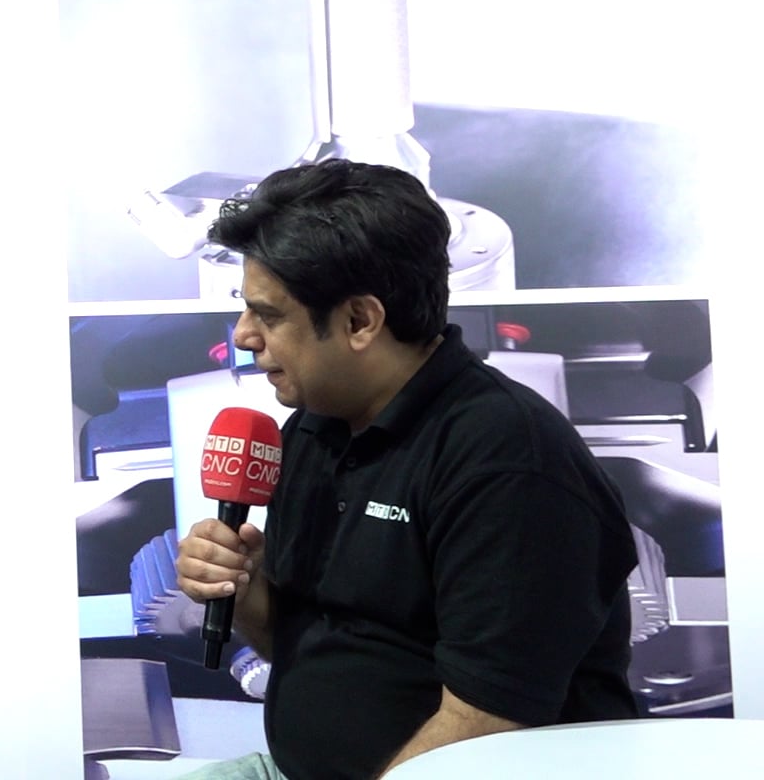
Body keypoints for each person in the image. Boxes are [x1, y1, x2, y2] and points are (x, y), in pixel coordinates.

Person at [174, 160, 639, 780]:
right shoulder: (310, 429)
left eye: (269, 315)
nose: (243, 335)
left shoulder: (507, 462)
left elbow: (488, 725)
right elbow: (304, 646)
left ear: (360, 322)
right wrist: (247, 590)